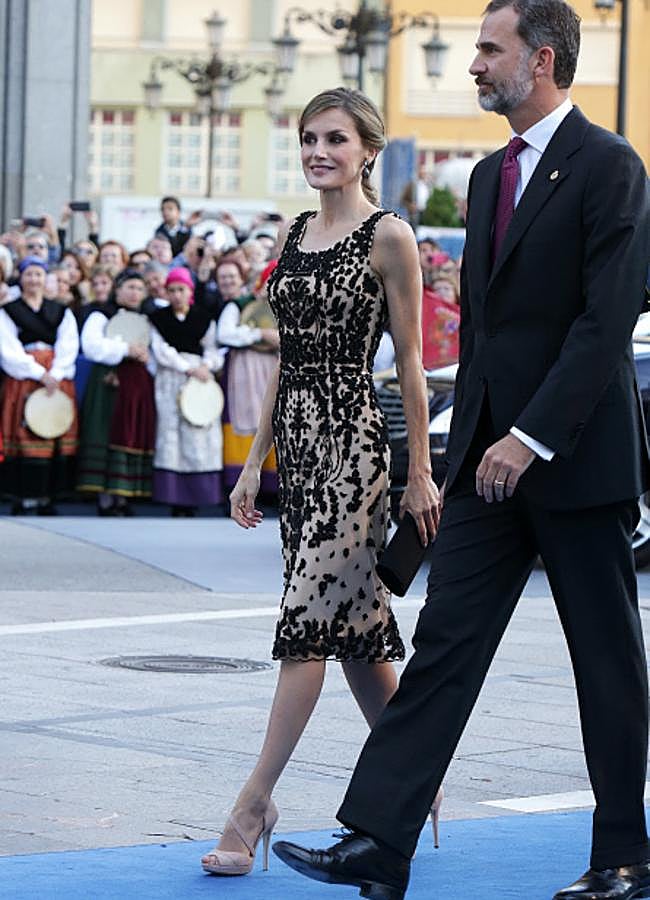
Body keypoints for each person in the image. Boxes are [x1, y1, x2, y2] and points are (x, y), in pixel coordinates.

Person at [272, 2, 650, 899]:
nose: (475, 64)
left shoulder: (610, 166)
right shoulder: (487, 176)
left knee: (605, 662)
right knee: (443, 647)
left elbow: (606, 322)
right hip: (484, 464)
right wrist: (446, 458)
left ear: (542, 59)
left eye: (490, 48)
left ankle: (625, 860)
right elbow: (484, 332)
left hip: (575, 461)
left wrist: (531, 437)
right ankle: (379, 840)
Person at [199, 86, 438, 879]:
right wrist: (252, 463)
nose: (318, 152)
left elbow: (411, 363)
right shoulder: (296, 231)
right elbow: (286, 360)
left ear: (367, 150)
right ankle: (415, 780)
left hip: (354, 452)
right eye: (308, 139)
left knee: (306, 625)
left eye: (335, 139)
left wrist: (419, 474)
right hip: (299, 454)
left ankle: (252, 805)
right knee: (357, 636)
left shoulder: (389, 235)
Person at [0, 257, 79, 514]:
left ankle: (47, 497)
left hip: (55, 378)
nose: (34, 280)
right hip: (25, 378)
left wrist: (56, 373)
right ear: (21, 278)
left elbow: (68, 345)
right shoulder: (9, 311)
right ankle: (23, 497)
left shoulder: (60, 311)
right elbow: (8, 349)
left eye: (39, 274)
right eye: (29, 274)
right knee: (24, 433)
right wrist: (38, 373)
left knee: (52, 431)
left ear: (46, 279)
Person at [76, 269, 155, 516]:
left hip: (136, 383)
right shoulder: (101, 315)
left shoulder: (145, 319)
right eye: (130, 287)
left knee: (130, 433)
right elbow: (91, 346)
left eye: (139, 289)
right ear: (117, 290)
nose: (134, 293)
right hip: (108, 381)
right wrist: (125, 349)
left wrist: (145, 356)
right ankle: (105, 498)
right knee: (106, 432)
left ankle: (123, 496)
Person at [149, 267, 224, 516]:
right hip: (171, 377)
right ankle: (174, 498)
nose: (176, 295)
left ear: (190, 291)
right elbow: (161, 350)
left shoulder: (203, 318)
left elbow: (212, 348)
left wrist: (206, 366)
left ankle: (195, 498)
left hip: (198, 379)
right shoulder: (158, 318)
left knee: (198, 434)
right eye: (171, 290)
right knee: (171, 435)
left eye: (181, 289)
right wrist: (187, 367)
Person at [216, 259, 280, 498]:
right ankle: (238, 483)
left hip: (274, 366)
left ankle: (272, 487)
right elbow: (225, 333)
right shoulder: (239, 305)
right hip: (245, 368)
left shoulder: (289, 305)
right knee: (244, 419)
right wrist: (260, 333)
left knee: (273, 417)